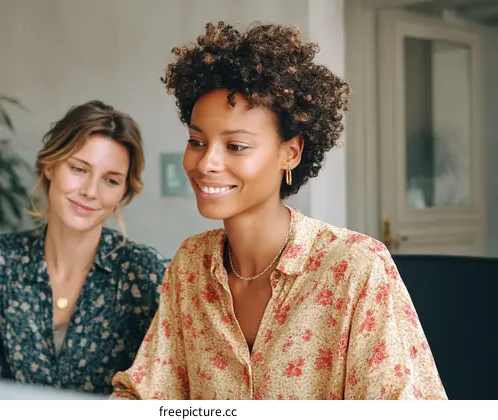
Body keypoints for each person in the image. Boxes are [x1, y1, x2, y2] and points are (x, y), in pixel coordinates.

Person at [111, 22, 447, 400]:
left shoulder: (357, 267)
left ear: (291, 152)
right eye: (197, 141)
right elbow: (147, 394)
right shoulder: (191, 266)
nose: (206, 163)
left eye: (236, 146)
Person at [0, 100, 167, 395]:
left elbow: (169, 389)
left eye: (110, 180)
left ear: (123, 192)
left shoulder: (144, 273)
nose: (90, 191)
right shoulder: (1, 259)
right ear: (50, 165)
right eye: (78, 169)